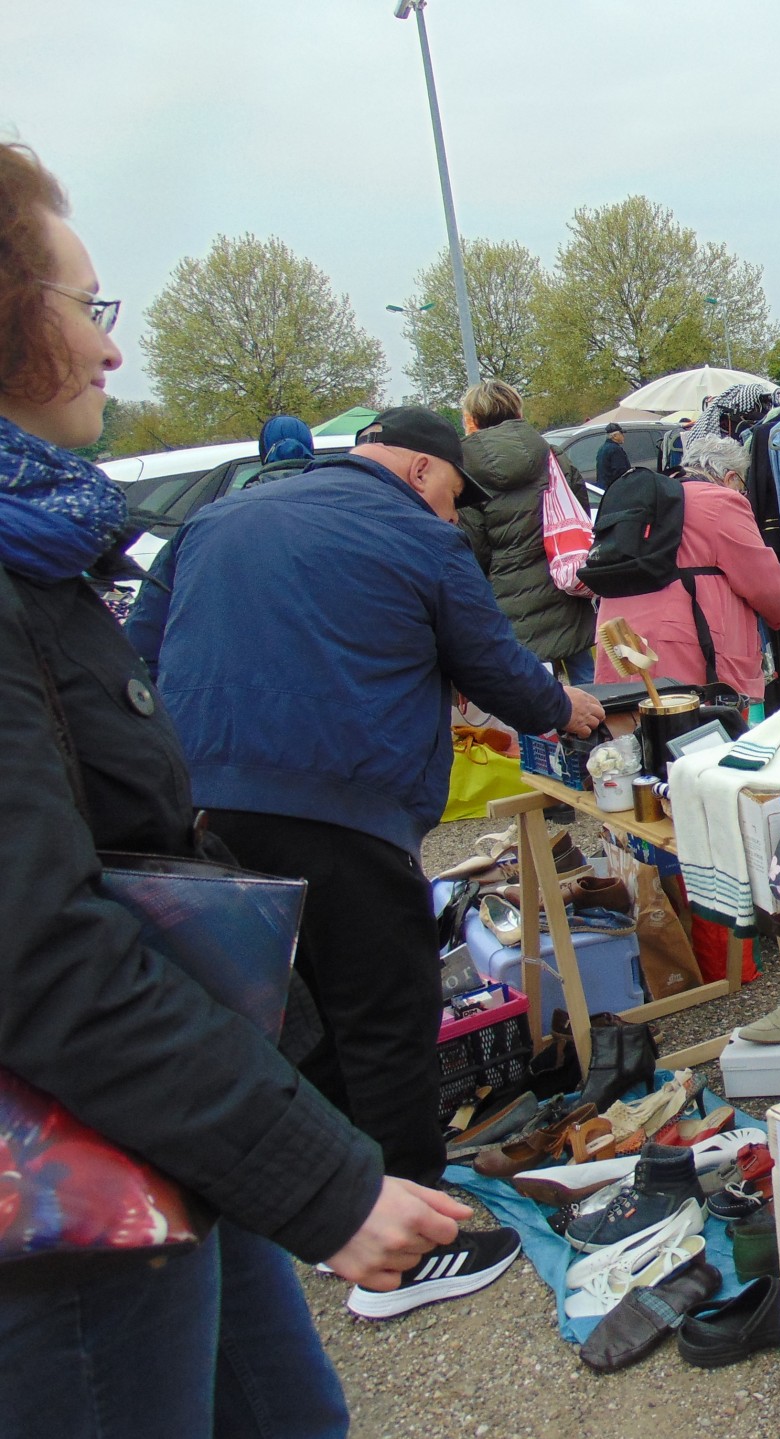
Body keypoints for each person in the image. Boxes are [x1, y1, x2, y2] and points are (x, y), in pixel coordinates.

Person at [0, 139, 466, 1436]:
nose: (112, 352)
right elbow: (36, 951)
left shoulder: (59, 542)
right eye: (86, 307)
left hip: (161, 1126)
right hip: (66, 1189)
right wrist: (324, 1174)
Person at [130, 405, 606, 1193]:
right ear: (420, 470)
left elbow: (139, 651)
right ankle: (405, 1219)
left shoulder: (215, 518)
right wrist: (566, 710)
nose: (455, 514)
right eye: (454, 493)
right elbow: (490, 661)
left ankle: (332, 1190)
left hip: (205, 803)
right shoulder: (421, 535)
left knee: (285, 1007)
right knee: (384, 1007)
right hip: (341, 801)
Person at [593, 434, 780, 700]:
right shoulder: (721, 501)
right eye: (742, 485)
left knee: (632, 731)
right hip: (684, 649)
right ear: (731, 477)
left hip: (619, 637)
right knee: (694, 735)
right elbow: (769, 589)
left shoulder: (652, 496)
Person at [458, 378, 598, 683]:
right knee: (586, 682)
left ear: (474, 419)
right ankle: (600, 730)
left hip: (509, 598)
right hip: (563, 584)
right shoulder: (553, 455)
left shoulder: (465, 470)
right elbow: (580, 514)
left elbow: (474, 546)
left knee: (529, 692)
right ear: (517, 411)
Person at [596, 422, 631, 488]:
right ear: (614, 436)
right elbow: (620, 472)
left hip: (604, 488)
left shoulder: (602, 448)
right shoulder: (615, 449)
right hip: (613, 488)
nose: (623, 435)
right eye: (621, 433)